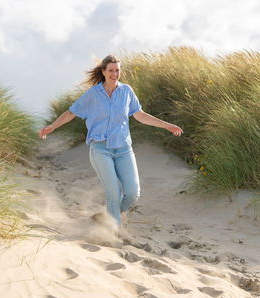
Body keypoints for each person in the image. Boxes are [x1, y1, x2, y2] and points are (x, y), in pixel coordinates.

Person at [39, 55, 183, 227]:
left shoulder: (126, 91)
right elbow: (71, 112)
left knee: (132, 193)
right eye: (111, 71)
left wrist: (167, 126)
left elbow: (141, 115)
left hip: (123, 149)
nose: (115, 74)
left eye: (118, 70)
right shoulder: (93, 94)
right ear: (103, 71)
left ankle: (111, 215)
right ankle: (113, 232)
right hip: (100, 149)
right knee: (113, 191)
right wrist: (53, 126)